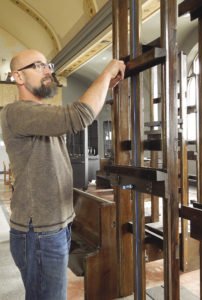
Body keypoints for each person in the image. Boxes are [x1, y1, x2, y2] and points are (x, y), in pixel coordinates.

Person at [0, 49, 125, 300]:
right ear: (18, 77)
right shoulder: (17, 112)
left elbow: (79, 114)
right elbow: (80, 115)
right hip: (39, 232)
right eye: (39, 66)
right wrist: (106, 72)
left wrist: (104, 87)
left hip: (54, 227)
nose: (49, 70)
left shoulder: (41, 115)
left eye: (49, 65)